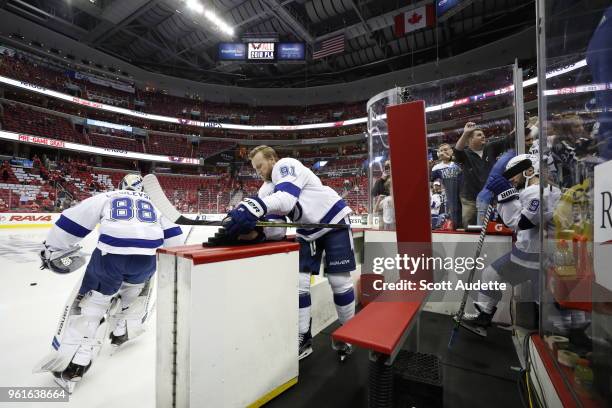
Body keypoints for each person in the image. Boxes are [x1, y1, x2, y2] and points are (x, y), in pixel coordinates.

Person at [37, 174, 184, 393]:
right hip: (147, 261)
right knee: (131, 297)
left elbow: (71, 222)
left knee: (93, 307)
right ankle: (121, 331)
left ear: (121, 185)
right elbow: (174, 239)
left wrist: (53, 248)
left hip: (111, 256)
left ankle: (74, 365)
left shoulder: (108, 195)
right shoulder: (155, 204)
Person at [223, 145, 356, 361]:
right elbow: (275, 231)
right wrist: (253, 232)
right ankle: (303, 338)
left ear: (272, 159)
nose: (258, 171)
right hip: (307, 230)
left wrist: (252, 207)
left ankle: (349, 334)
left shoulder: (286, 165)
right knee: (299, 283)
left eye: (260, 165)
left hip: (333, 222)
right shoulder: (265, 190)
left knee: (339, 281)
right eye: (255, 168)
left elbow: (285, 200)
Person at [461, 154, 561, 334]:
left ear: (529, 170)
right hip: (529, 253)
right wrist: (506, 197)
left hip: (535, 256)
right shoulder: (539, 190)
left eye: (514, 173)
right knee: (492, 275)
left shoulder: (536, 191)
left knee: (544, 299)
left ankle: (551, 336)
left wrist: (506, 197)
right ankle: (483, 319)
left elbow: (523, 223)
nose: (512, 178)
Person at [454, 122, 512, 227]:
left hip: (491, 197)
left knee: (491, 227)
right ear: (470, 140)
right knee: (469, 227)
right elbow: (457, 150)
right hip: (470, 198)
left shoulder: (490, 148)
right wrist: (465, 133)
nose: (483, 136)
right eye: (479, 135)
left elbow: (508, 139)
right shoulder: (465, 154)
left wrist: (522, 127)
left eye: (483, 134)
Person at [431, 143, 462, 228]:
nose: (443, 152)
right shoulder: (436, 168)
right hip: (450, 197)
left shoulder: (459, 162)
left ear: (451, 151)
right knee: (453, 217)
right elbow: (431, 181)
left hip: (464, 195)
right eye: (441, 151)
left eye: (445, 150)